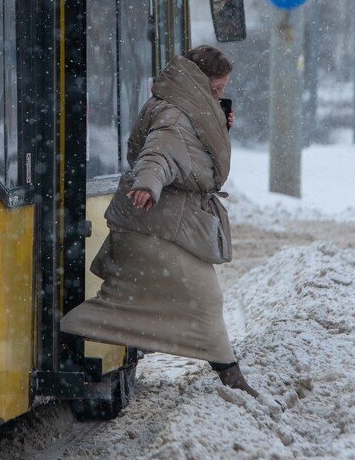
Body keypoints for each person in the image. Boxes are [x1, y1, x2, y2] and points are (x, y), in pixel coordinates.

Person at [60, 46, 255, 394]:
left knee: (134, 298)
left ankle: (69, 327)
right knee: (205, 299)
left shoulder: (187, 109)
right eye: (219, 88)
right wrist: (148, 184)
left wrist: (216, 129)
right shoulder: (176, 115)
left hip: (164, 225)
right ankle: (232, 378)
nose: (222, 94)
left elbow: (185, 155)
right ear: (201, 84)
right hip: (158, 225)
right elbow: (158, 152)